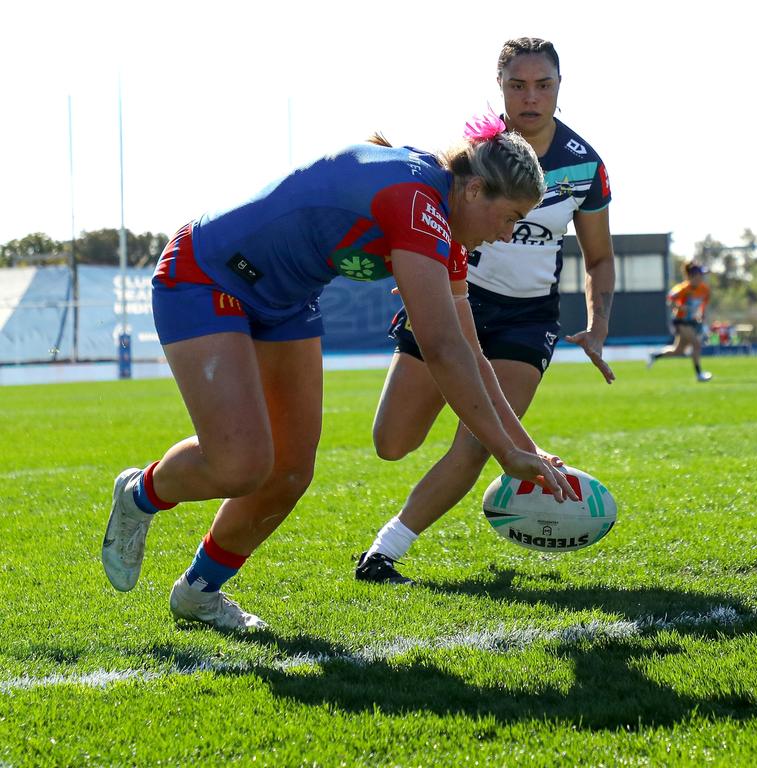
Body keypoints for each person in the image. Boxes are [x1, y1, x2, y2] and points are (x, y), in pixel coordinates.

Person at [100, 121, 579, 630]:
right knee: (240, 465)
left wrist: (524, 447)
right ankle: (140, 494)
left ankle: (199, 592)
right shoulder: (419, 203)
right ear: (476, 188)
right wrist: (505, 454)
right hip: (206, 274)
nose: (507, 234)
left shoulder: (445, 222)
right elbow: (441, 349)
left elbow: (470, 352)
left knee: (288, 472)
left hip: (285, 302)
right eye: (509, 217)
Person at [353, 38, 616, 585]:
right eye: (518, 84)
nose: (531, 97)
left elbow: (600, 257)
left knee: (479, 439)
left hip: (527, 319)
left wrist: (598, 325)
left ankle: (385, 551)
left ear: (560, 89)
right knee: (392, 442)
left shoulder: (585, 164)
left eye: (543, 85)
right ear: (500, 86)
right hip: (452, 301)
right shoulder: (473, 152)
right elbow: (426, 215)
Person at [647, 263, 712, 382]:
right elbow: (670, 300)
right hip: (680, 321)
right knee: (696, 344)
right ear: (692, 276)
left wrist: (702, 317)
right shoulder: (682, 289)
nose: (702, 277)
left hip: (692, 322)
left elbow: (704, 306)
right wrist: (680, 307)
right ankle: (699, 374)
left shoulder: (704, 289)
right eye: (700, 274)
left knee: (679, 350)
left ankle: (655, 355)